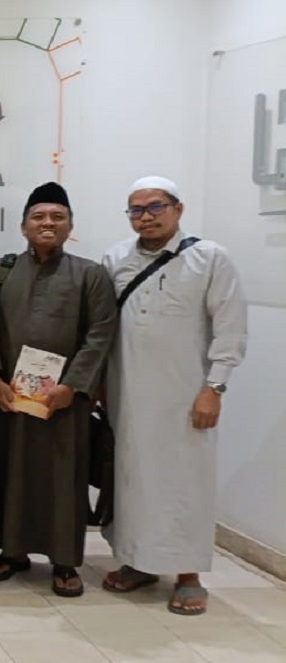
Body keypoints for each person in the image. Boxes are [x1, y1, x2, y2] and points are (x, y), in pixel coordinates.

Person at [100, 176, 247, 616]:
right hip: (126, 395)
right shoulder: (115, 258)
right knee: (132, 481)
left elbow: (231, 329)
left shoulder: (210, 258)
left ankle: (187, 575)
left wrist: (214, 388)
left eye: (155, 207)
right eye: (136, 210)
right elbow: (102, 328)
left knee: (185, 484)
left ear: (177, 210)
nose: (145, 217)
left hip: (185, 399)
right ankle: (137, 562)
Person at [0, 182, 117, 597]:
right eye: (38, 217)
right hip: (8, 398)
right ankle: (12, 552)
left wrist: (73, 385)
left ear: (70, 226)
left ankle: (64, 561)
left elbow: (100, 333)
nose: (48, 223)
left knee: (63, 478)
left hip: (63, 403)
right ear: (23, 227)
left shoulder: (90, 275)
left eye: (58, 217)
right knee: (9, 473)